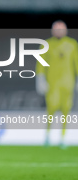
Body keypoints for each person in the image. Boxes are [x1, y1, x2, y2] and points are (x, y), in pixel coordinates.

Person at [36, 20, 78, 149]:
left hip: (68, 83)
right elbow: (41, 64)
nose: (59, 31)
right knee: (51, 109)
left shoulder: (72, 44)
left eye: (61, 29)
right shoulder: (46, 44)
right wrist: (40, 79)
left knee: (66, 110)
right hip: (52, 83)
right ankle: (48, 136)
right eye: (57, 29)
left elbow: (76, 63)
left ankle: (63, 137)